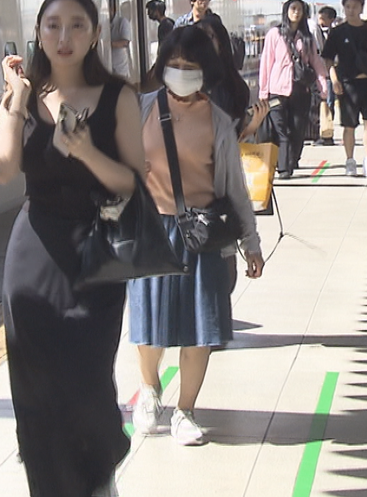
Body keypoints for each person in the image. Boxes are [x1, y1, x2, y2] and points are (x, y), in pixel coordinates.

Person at [0, 0, 144, 497]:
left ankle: (97, 477)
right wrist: (14, 102)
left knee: (88, 379)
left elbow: (131, 183)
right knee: (34, 388)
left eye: (77, 24)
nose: (64, 35)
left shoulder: (119, 96)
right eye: (53, 25)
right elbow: (2, 169)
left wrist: (86, 153)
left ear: (96, 34)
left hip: (96, 255)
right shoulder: (24, 98)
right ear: (38, 34)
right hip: (33, 253)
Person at [127, 25, 265, 446]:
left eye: (190, 66)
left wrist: (250, 244)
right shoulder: (140, 109)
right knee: (149, 323)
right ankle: (149, 390)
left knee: (199, 330)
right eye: (174, 65)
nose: (181, 72)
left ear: (206, 71)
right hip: (152, 231)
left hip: (202, 235)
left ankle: (186, 410)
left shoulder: (219, 123)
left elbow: (235, 189)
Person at [258, 0, 329, 179]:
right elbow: (266, 63)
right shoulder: (275, 34)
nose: (296, 12)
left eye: (300, 9)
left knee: (297, 129)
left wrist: (323, 86)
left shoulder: (307, 37)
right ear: (286, 11)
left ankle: (291, 159)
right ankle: (283, 168)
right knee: (281, 130)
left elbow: (316, 61)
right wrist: (263, 91)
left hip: (300, 90)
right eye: (293, 8)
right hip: (276, 90)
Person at [321, 0, 367, 177]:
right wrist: (334, 79)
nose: (351, 10)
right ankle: (350, 160)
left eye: (355, 7)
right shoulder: (338, 32)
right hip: (347, 83)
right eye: (347, 7)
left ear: (361, 8)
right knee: (349, 125)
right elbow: (328, 58)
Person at [311, 6, 338, 146]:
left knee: (328, 103)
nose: (320, 21)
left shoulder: (333, 33)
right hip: (321, 73)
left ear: (331, 20)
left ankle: (327, 134)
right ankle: (323, 132)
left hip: (329, 74)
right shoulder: (316, 30)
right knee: (322, 103)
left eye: (323, 19)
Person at [110, 0, 133, 79]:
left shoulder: (122, 21)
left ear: (113, 9)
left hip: (120, 67)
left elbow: (125, 42)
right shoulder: (105, 23)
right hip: (108, 66)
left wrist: (107, 45)